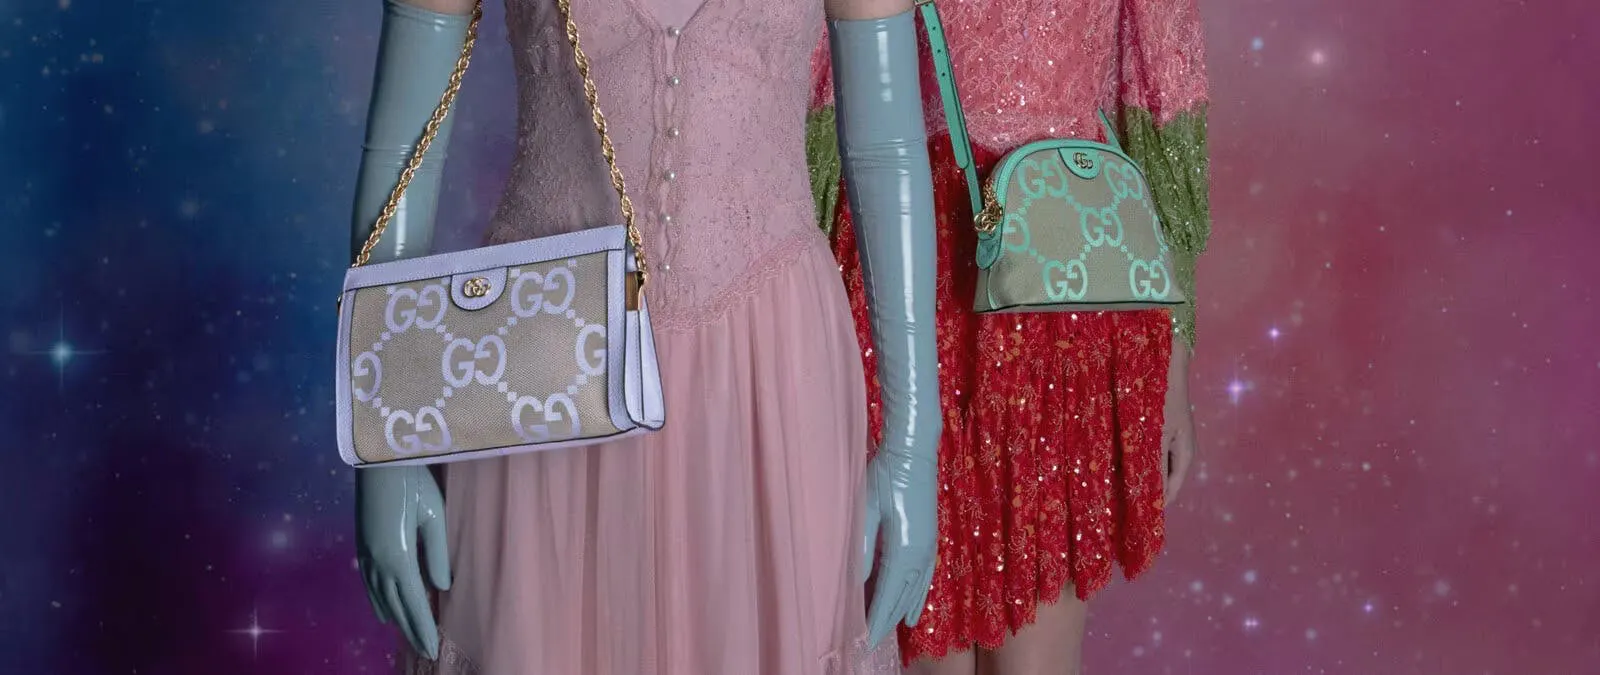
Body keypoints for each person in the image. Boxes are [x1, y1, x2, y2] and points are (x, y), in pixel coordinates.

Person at [344, 0, 947, 672]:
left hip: (770, 372)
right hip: (545, 366)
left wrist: (913, 442)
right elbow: (404, 158)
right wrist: (383, 438)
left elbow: (887, 154)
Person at [805, 0, 1211, 671]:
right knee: (917, 634)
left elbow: (1163, 89)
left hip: (1064, 283)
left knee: (1036, 651)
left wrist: (1176, 353)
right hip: (903, 273)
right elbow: (819, 83)